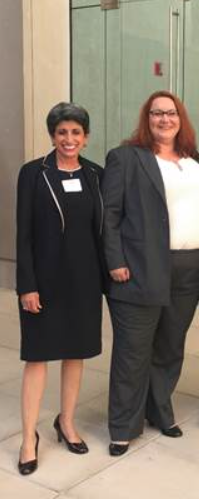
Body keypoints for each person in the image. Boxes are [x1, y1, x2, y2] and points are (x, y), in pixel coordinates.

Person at [102, 90, 199, 456]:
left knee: (169, 346)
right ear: (146, 119)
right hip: (140, 268)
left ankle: (159, 410)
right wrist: (115, 261)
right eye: (156, 113)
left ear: (182, 118)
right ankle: (122, 426)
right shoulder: (127, 158)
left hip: (190, 267)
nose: (164, 119)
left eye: (171, 113)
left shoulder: (195, 162)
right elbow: (110, 215)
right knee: (133, 351)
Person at [16, 102, 105, 475]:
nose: (69, 139)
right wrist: (27, 285)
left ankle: (66, 422)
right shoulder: (34, 174)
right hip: (44, 282)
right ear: (52, 135)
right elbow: (23, 234)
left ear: (85, 137)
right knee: (38, 357)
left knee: (75, 354)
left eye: (76, 132)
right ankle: (27, 438)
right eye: (62, 132)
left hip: (84, 281)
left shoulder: (97, 175)